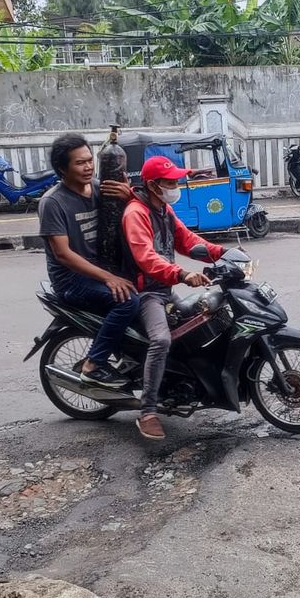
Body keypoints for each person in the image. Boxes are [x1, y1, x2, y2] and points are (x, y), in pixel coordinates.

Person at [123, 156, 225, 441]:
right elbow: (145, 257)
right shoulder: (136, 213)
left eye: (177, 181)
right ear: (153, 185)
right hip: (145, 293)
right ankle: (148, 411)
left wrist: (222, 253)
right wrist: (181, 274)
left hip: (164, 288)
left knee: (201, 318)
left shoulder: (164, 209)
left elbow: (187, 240)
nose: (176, 186)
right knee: (162, 340)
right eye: (171, 182)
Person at [38, 133, 139, 389]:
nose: (88, 167)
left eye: (89, 161)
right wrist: (109, 278)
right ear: (62, 168)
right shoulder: (53, 202)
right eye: (79, 163)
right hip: (72, 280)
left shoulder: (98, 187)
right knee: (128, 301)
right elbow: (63, 254)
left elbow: (127, 217)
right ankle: (93, 365)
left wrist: (129, 196)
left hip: (100, 269)